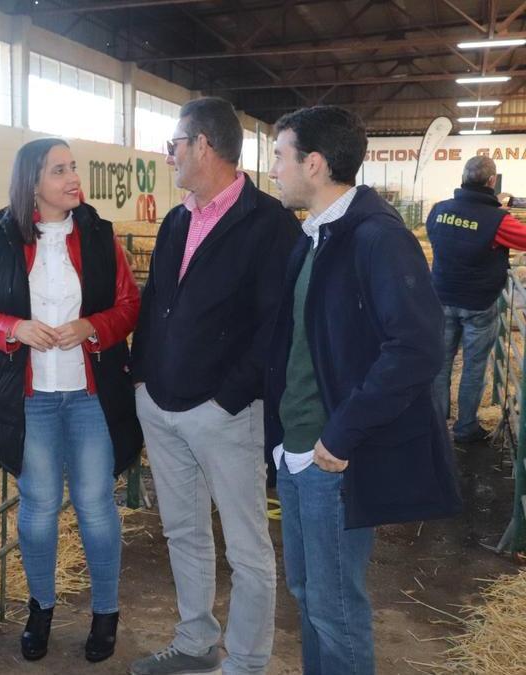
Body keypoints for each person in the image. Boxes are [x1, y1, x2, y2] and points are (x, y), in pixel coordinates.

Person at [266, 105, 463, 675]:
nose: (274, 169)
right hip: (296, 451)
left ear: (316, 163)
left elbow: (417, 347)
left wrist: (343, 431)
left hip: (332, 456)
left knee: (335, 607)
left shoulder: (377, 239)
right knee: (307, 595)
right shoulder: (314, 238)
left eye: (280, 156)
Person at [128, 97, 300, 675]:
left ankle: (248, 662)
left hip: (225, 414)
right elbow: (158, 304)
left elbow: (274, 324)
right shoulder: (178, 219)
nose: (168, 154)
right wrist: (144, 381)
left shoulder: (268, 223)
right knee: (183, 530)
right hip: (164, 405)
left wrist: (228, 398)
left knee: (247, 548)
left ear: (203, 144)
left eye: (174, 143)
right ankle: (196, 641)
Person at [0, 137, 143, 664]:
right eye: (59, 170)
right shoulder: (1, 239)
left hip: (90, 397)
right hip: (32, 399)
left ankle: (105, 613)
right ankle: (40, 609)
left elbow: (130, 305)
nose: (72, 177)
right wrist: (13, 327)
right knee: (38, 512)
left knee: (96, 508)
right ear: (33, 183)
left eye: (73, 167)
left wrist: (92, 326)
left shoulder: (101, 237)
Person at [427, 156, 526, 443]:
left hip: (442, 297)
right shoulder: (497, 220)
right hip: (478, 303)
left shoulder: (439, 210)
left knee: (441, 362)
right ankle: (465, 427)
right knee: (473, 366)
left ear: (463, 177)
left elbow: (437, 238)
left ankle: (436, 423)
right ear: (492, 182)